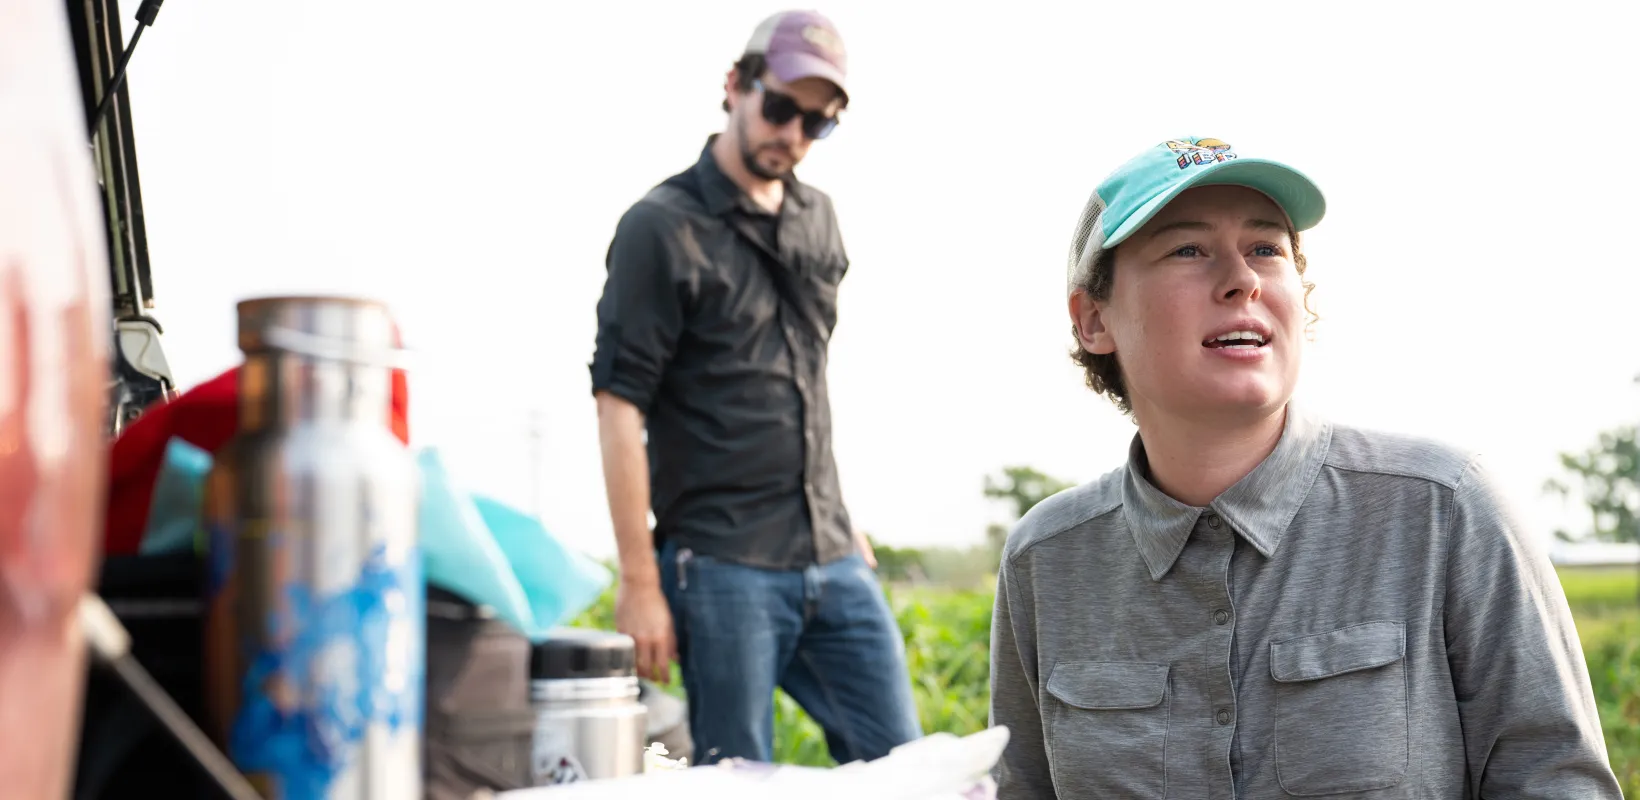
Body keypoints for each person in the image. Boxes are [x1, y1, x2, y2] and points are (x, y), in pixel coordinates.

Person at [988, 136, 1623, 798]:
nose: (1243, 278)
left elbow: (1555, 781)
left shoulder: (1444, 508)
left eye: (1266, 248)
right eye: (1188, 249)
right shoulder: (1046, 558)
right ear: (1093, 319)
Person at [588, 10, 922, 767]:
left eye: (818, 122)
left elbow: (801, 382)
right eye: (780, 108)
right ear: (735, 86)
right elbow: (619, 404)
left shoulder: (820, 220)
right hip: (721, 561)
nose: (794, 133)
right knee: (737, 781)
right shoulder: (659, 227)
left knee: (907, 769)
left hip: (833, 552)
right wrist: (639, 578)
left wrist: (840, 516)